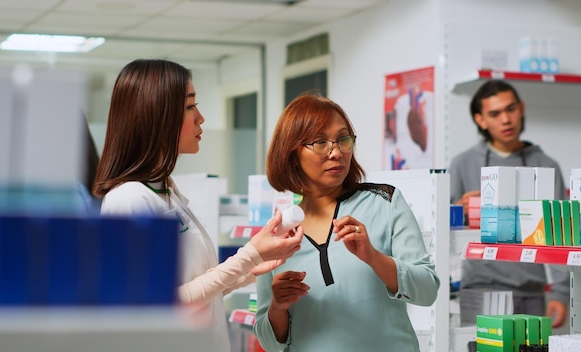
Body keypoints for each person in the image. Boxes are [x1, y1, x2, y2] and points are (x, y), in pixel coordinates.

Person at [92, 59, 304, 352]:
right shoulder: (128, 200)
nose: (201, 118)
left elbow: (201, 288)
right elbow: (163, 303)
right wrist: (250, 254)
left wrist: (256, 263)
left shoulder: (167, 192)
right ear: (158, 115)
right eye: (190, 106)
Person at [253, 92, 440, 351]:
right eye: (320, 142)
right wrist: (277, 307)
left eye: (343, 139)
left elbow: (428, 290)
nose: (336, 152)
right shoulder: (277, 234)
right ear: (292, 154)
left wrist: (373, 257)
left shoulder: (385, 201)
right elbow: (269, 342)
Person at [449, 79, 568, 328]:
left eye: (510, 109)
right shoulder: (462, 164)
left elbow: (559, 235)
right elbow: (443, 232)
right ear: (481, 120)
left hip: (532, 291)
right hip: (480, 290)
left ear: (521, 109)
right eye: (495, 113)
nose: (506, 119)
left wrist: (560, 292)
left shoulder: (547, 165)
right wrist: (459, 210)